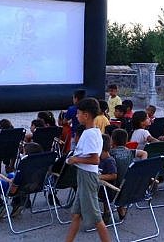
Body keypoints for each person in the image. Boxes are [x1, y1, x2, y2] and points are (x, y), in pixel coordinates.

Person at [64, 97, 111, 242]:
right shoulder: (91, 132)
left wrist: (75, 159)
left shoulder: (90, 134)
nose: (76, 116)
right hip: (84, 175)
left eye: (78, 113)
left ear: (86, 115)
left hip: (88, 176)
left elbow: (95, 159)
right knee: (76, 214)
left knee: (96, 217)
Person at [98, 134, 117, 224]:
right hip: (100, 185)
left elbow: (114, 175)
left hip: (108, 187)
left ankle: (107, 212)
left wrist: (99, 177)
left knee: (105, 194)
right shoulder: (100, 159)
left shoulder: (109, 160)